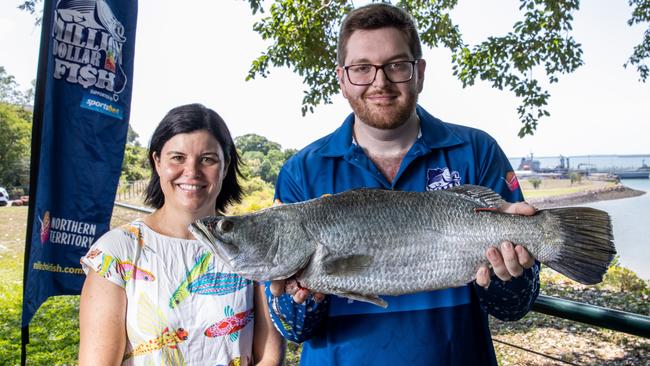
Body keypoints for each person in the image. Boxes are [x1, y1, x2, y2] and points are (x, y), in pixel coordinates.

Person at [266, 4, 540, 365]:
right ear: (342, 78)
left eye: (396, 65)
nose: (380, 82)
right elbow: (294, 330)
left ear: (419, 72)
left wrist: (511, 275)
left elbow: (514, 307)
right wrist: (300, 297)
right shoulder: (301, 172)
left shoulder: (477, 151)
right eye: (362, 68)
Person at [79, 104, 283, 365]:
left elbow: (269, 356)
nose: (192, 171)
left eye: (207, 159)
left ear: (225, 165)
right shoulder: (117, 251)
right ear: (158, 162)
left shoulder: (253, 246)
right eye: (178, 157)